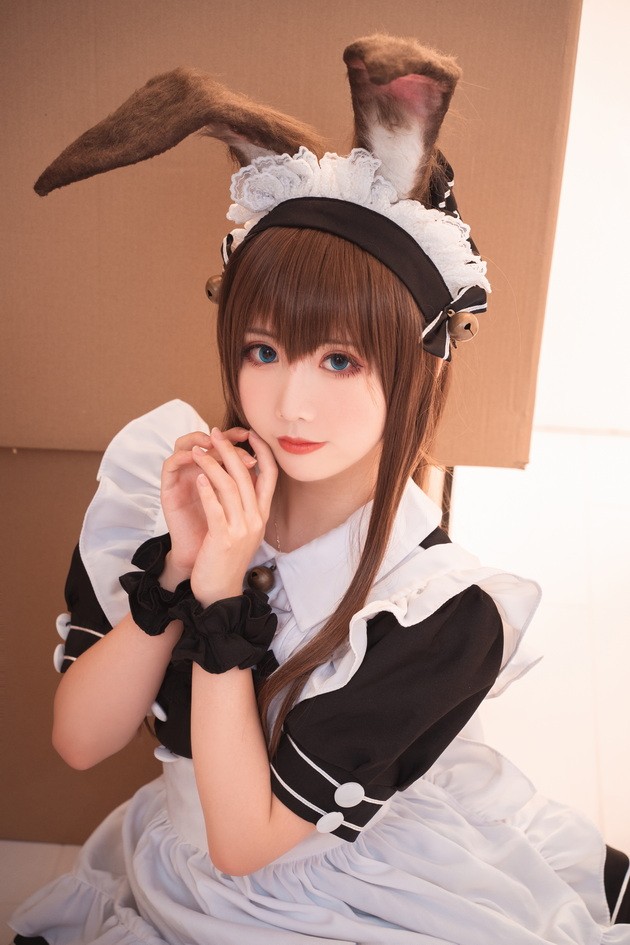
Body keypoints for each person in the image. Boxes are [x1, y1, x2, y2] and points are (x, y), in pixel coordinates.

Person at [10, 33, 630, 945]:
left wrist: (222, 590)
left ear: (417, 366)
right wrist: (180, 564)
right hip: (180, 864)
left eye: (340, 359)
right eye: (263, 349)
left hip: (355, 891)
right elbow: (79, 740)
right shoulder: (171, 485)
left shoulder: (435, 612)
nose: (290, 402)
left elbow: (246, 842)